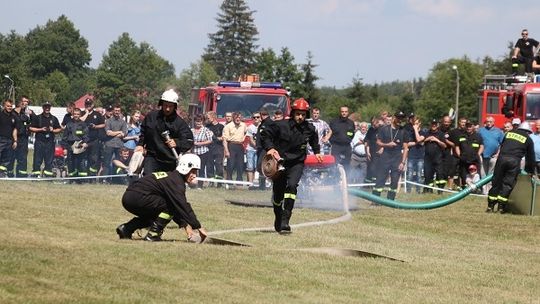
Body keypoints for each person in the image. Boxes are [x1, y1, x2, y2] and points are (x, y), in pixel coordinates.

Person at [261, 98, 322, 233]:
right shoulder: (280, 125)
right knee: (278, 195)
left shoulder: (310, 129)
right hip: (280, 164)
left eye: (303, 114)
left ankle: (286, 218)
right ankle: (278, 214)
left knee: (292, 186)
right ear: (293, 113)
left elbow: (314, 141)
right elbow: (264, 134)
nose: (300, 117)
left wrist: (317, 152)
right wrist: (270, 148)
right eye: (298, 114)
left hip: (297, 163)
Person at [116, 153, 208, 242]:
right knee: (170, 207)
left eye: (196, 172)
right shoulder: (176, 182)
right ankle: (153, 235)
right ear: (185, 168)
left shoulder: (172, 177)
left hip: (129, 197)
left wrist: (186, 226)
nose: (195, 175)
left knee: (156, 215)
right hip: (138, 197)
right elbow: (182, 206)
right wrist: (198, 226)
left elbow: (178, 208)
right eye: (193, 171)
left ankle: (126, 229)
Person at [136, 89, 194, 175]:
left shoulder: (180, 123)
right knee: (148, 181)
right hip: (152, 157)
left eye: (170, 106)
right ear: (161, 104)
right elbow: (144, 132)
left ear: (175, 106)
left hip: (169, 160)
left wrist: (177, 143)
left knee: (166, 185)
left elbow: (189, 140)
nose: (167, 109)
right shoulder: (151, 117)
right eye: (165, 105)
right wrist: (140, 145)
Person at [487, 122, 535, 213]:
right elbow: (530, 157)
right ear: (528, 131)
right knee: (507, 184)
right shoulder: (528, 139)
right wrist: (530, 171)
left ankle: (490, 206)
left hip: (501, 159)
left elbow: (502, 145)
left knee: (496, 181)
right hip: (514, 161)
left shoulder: (508, 133)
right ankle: (501, 207)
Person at [372, 111, 410, 200]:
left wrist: (403, 162)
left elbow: (405, 148)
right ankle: (375, 200)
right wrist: (387, 145)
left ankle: (390, 200)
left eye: (402, 118)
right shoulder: (384, 129)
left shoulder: (403, 131)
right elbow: (378, 142)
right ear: (394, 118)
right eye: (398, 118)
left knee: (394, 180)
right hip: (385, 156)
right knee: (380, 179)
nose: (400, 120)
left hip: (397, 158)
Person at [29, 102, 62, 178]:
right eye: (45, 107)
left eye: (48, 107)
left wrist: (52, 130)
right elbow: (30, 128)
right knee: (37, 159)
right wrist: (41, 129)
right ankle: (36, 174)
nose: (47, 108)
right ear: (43, 107)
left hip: (50, 142)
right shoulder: (37, 118)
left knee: (49, 160)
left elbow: (59, 129)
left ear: (50, 108)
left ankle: (48, 175)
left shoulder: (54, 118)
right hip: (39, 142)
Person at [61, 108, 89, 181]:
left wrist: (85, 142)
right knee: (71, 163)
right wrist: (64, 148)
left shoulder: (83, 124)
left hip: (80, 146)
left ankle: (81, 180)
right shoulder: (69, 124)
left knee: (81, 163)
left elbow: (86, 135)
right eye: (75, 114)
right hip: (70, 146)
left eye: (78, 114)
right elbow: (64, 137)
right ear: (72, 115)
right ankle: (72, 179)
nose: (76, 116)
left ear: (80, 115)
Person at [80, 98, 106, 178]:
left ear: (93, 105)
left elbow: (103, 124)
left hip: (94, 140)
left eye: (89, 104)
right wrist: (86, 113)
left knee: (93, 159)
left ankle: (92, 176)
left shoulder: (97, 114)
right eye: (87, 104)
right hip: (83, 140)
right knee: (83, 158)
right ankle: (83, 177)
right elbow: (79, 121)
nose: (88, 105)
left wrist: (95, 126)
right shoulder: (81, 113)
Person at [101, 104, 128, 181]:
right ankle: (104, 179)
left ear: (120, 111)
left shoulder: (123, 122)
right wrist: (119, 132)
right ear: (113, 111)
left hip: (119, 145)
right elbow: (108, 133)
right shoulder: (108, 121)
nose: (117, 112)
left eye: (118, 111)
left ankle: (117, 180)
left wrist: (115, 133)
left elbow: (124, 134)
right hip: (109, 144)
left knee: (118, 163)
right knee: (106, 163)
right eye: (115, 110)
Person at [455, 121, 484, 189]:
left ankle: (477, 189)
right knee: (463, 174)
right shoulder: (461, 135)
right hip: (464, 159)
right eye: (467, 126)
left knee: (476, 175)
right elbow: (457, 146)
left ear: (473, 127)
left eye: (470, 126)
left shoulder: (478, 136)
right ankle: (465, 188)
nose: (468, 128)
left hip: (474, 159)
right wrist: (459, 155)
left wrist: (478, 154)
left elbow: (482, 146)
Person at [10, 96, 33, 177]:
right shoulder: (12, 113)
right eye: (24, 101)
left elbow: (34, 122)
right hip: (13, 138)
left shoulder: (27, 113)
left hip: (24, 138)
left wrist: (31, 115)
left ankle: (21, 174)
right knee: (11, 156)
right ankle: (9, 174)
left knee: (22, 157)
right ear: (20, 102)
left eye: (27, 101)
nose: (25, 103)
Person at [423, 119, 447, 193]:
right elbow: (421, 142)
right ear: (430, 125)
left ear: (437, 125)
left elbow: (444, 145)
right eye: (432, 124)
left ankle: (440, 190)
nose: (434, 125)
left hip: (438, 158)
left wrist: (437, 140)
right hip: (428, 158)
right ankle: (428, 190)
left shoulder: (441, 134)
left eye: (435, 124)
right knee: (427, 174)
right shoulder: (427, 133)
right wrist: (428, 139)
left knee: (440, 175)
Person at [329, 106, 355, 173]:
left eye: (345, 112)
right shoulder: (333, 122)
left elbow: (352, 134)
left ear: (348, 113)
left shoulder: (351, 123)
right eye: (342, 111)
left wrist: (348, 139)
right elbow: (329, 133)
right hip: (336, 146)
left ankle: (346, 180)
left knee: (347, 165)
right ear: (340, 112)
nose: (344, 113)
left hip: (347, 146)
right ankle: (334, 179)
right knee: (334, 164)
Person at [223, 112, 247, 183]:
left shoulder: (243, 125)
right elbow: (224, 140)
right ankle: (229, 180)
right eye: (236, 117)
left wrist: (244, 140)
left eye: (239, 117)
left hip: (240, 145)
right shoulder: (228, 126)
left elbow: (246, 133)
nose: (238, 119)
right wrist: (226, 151)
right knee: (231, 163)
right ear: (233, 118)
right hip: (231, 145)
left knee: (240, 164)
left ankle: (239, 181)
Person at [191, 113, 213, 188]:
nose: (198, 123)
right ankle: (193, 184)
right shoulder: (191, 130)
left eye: (200, 121)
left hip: (203, 152)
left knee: (201, 169)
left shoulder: (206, 130)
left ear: (203, 121)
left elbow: (210, 140)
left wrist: (199, 143)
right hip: (194, 152)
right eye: (197, 121)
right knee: (193, 169)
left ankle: (200, 185)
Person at [405, 114, 426, 193]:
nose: (415, 125)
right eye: (414, 124)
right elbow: (407, 144)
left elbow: (419, 139)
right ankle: (408, 191)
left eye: (417, 124)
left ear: (420, 123)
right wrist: (417, 143)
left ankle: (418, 191)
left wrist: (416, 130)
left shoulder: (424, 132)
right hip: (411, 156)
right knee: (409, 174)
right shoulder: (409, 133)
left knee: (419, 175)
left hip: (420, 157)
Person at [205, 111, 225, 186]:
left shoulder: (221, 127)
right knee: (209, 164)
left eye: (208, 118)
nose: (207, 119)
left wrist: (216, 138)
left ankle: (219, 182)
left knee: (218, 164)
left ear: (213, 117)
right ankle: (211, 181)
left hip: (218, 147)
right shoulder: (207, 126)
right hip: (209, 147)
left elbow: (223, 137)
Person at [0, 99, 18, 177]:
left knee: (6, 158)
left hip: (9, 140)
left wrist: (15, 141)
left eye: (11, 106)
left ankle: (2, 173)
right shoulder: (0, 115)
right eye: (8, 106)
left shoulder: (14, 117)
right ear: (4, 106)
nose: (9, 108)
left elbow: (15, 129)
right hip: (1, 139)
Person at [364, 116, 384, 183]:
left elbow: (386, 141)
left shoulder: (382, 129)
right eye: (372, 124)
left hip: (379, 152)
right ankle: (368, 184)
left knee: (374, 168)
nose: (373, 125)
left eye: (375, 124)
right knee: (369, 168)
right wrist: (367, 152)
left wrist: (382, 148)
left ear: (378, 122)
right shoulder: (371, 130)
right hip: (371, 151)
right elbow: (367, 141)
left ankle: (376, 182)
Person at [245, 111, 261, 187]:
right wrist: (257, 146)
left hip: (259, 149)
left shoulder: (263, 126)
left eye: (258, 117)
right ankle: (250, 184)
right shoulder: (250, 127)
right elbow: (250, 140)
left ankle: (255, 183)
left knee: (257, 167)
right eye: (254, 117)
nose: (256, 119)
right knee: (250, 166)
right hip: (251, 149)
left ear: (260, 118)